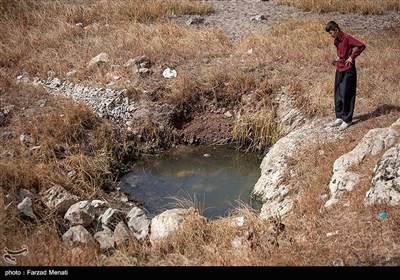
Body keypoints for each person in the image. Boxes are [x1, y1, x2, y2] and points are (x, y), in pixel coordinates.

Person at [325, 21, 366, 131]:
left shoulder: (347, 38)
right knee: (338, 92)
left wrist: (352, 57)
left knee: (346, 93)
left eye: (331, 33)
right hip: (339, 67)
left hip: (348, 69)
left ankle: (347, 120)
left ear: (336, 30)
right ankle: (339, 117)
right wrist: (339, 57)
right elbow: (340, 51)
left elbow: (361, 46)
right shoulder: (336, 41)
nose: (330, 35)